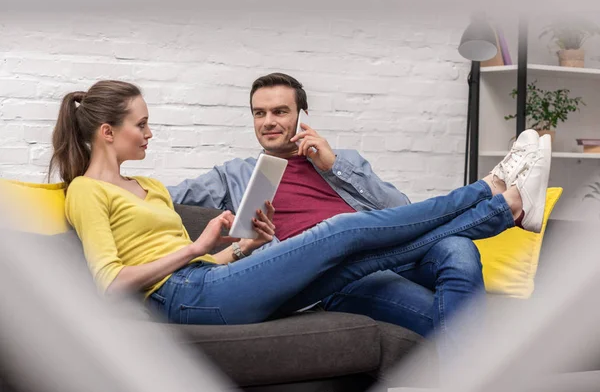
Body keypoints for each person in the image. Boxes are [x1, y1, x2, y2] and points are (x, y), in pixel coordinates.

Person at [52, 80, 551, 364]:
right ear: (106, 132)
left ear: (300, 115)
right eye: (141, 124)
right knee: (338, 233)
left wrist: (246, 245)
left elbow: (395, 210)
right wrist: (196, 245)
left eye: (279, 111)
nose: (150, 133)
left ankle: (500, 211)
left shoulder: (152, 187)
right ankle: (492, 194)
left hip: (213, 279)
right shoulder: (87, 190)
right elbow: (111, 282)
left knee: (418, 251)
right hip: (184, 294)